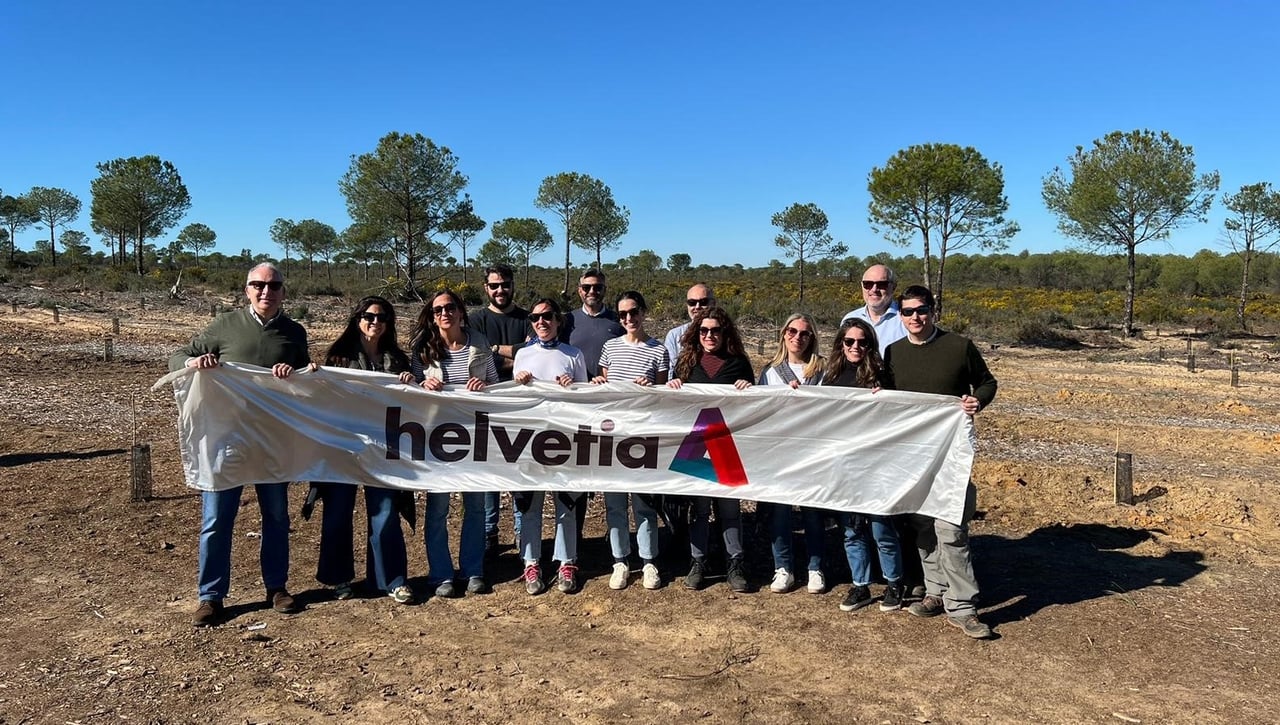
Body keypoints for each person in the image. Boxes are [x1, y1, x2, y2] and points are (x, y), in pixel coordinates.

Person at [169, 263, 309, 627]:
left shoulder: (294, 333)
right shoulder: (224, 325)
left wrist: (293, 375)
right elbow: (177, 357)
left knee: (276, 517)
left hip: (272, 441)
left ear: (283, 291)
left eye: (274, 285)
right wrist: (194, 362)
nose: (267, 291)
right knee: (217, 518)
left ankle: (276, 587)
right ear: (246, 290)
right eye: (258, 285)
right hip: (225, 441)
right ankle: (211, 596)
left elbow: (309, 385)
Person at [884, 285, 998, 639]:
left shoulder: (958, 347)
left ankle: (963, 606)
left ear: (934, 311)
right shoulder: (893, 353)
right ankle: (935, 591)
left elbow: (987, 382)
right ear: (899, 316)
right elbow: (886, 399)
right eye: (907, 312)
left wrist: (977, 401)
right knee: (921, 527)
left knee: (951, 528)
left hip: (950, 454)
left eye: (921, 310)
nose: (915, 317)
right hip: (913, 456)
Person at [313, 296, 416, 605]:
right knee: (337, 513)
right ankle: (339, 579)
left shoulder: (396, 359)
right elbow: (322, 397)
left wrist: (410, 383)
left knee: (385, 512)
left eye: (383, 317)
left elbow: (412, 404)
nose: (376, 322)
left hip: (383, 447)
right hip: (343, 448)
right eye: (370, 316)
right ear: (357, 319)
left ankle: (391, 579)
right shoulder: (339, 358)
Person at [411, 290, 499, 598]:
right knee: (438, 508)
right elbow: (411, 395)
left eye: (450, 307)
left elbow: (496, 388)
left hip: (475, 437)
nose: (444, 313)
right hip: (437, 440)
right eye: (438, 310)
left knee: (475, 507)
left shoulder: (479, 343)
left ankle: (473, 570)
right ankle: (441, 573)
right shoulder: (423, 348)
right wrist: (423, 385)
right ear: (432, 316)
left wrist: (484, 386)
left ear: (461, 312)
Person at [666, 306, 754, 593]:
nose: (709, 335)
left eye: (715, 330)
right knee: (699, 510)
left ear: (724, 332)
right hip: (696, 448)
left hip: (728, 446)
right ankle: (698, 562)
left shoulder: (738, 362)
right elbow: (674, 405)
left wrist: (748, 387)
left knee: (730, 509)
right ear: (696, 333)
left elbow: (753, 404)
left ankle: (735, 562)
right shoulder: (687, 363)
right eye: (704, 330)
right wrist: (675, 386)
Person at [822, 318, 906, 613]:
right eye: (849, 342)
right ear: (840, 344)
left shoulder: (882, 375)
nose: (855, 347)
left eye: (862, 342)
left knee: (881, 526)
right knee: (851, 528)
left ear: (871, 344)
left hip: (876, 463)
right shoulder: (830, 376)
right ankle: (861, 585)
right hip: (844, 462)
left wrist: (884, 398)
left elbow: (899, 416)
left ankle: (895, 582)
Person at [592, 291, 669, 591]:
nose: (628, 318)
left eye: (633, 311)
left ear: (643, 311)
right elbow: (605, 387)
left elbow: (665, 396)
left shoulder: (659, 350)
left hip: (644, 436)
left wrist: (651, 387)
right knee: (615, 504)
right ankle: (620, 560)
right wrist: (599, 383)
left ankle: (649, 561)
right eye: (622, 314)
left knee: (644, 504)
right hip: (613, 437)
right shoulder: (609, 348)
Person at [511, 298, 589, 594]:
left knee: (566, 504)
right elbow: (516, 401)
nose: (541, 322)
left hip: (565, 439)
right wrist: (518, 381)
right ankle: (531, 563)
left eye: (547, 317)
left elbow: (586, 400)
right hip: (529, 440)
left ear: (558, 320)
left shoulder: (574, 354)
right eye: (535, 317)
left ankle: (567, 561)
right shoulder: (523, 355)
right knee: (530, 504)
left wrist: (574, 385)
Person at [756, 313, 828, 594]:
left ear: (813, 338)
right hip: (781, 452)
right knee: (780, 513)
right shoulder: (770, 371)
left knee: (813, 513)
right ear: (783, 334)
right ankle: (782, 567)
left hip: (812, 451)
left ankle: (815, 568)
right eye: (792, 331)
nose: (798, 337)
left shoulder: (822, 370)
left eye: (805, 333)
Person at [467, 263, 529, 552]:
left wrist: (493, 349)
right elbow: (481, 361)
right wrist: (514, 353)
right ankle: (489, 532)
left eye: (505, 284)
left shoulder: (529, 318)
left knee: (520, 468)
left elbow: (531, 359)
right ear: (486, 288)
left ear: (513, 285)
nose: (500, 290)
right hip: (486, 407)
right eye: (494, 285)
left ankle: (521, 530)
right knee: (489, 469)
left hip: (522, 407)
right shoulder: (476, 320)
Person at [561, 269, 625, 548]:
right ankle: (573, 547)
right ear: (579, 290)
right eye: (587, 287)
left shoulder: (618, 321)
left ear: (604, 291)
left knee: (613, 475)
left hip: (610, 409)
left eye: (597, 288)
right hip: (574, 410)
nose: (592, 292)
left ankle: (619, 549)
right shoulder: (567, 321)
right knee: (576, 479)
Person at [841, 264, 906, 355]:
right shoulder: (850, 319)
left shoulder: (906, 319)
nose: (874, 289)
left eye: (882, 284)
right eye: (868, 284)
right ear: (862, 286)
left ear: (893, 287)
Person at [663, 283, 714, 365]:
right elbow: (670, 369)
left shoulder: (725, 333)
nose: (697, 307)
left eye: (703, 302)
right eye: (692, 302)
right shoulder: (675, 335)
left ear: (713, 304)